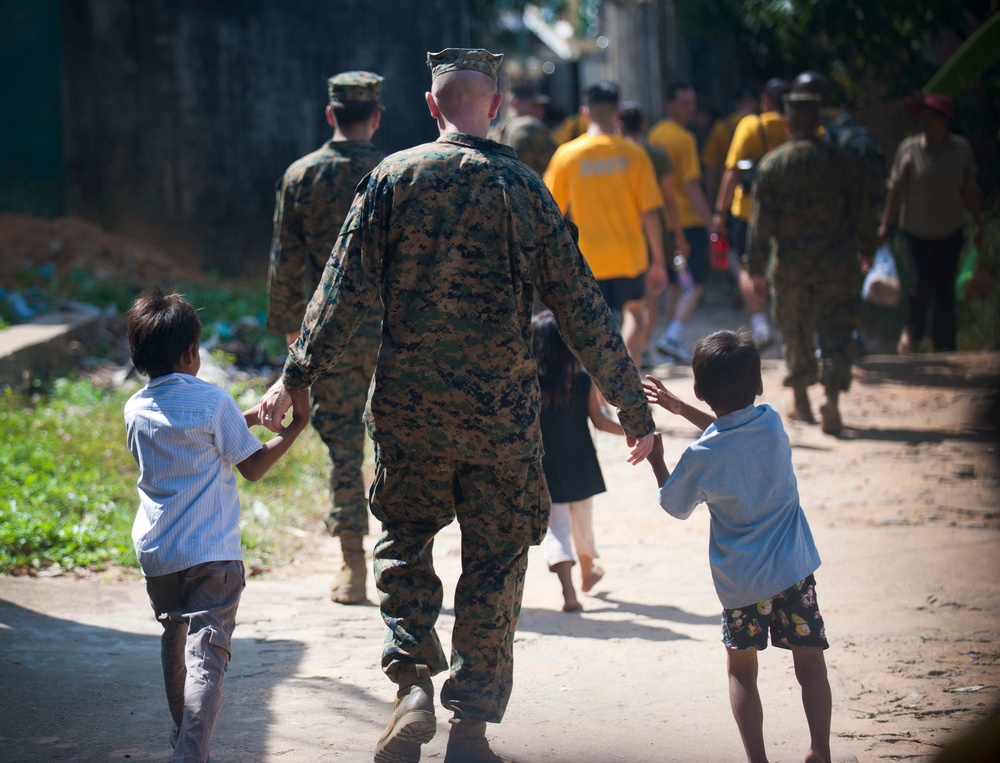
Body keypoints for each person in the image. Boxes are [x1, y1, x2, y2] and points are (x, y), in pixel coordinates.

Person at [257, 48, 655, 763]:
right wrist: (632, 405)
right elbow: (582, 306)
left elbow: (339, 291)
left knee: (406, 543)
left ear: (431, 105)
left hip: (409, 408)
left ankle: (412, 685)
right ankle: (469, 726)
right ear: (495, 105)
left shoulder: (390, 178)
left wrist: (295, 375)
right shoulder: (525, 188)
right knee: (496, 561)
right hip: (501, 414)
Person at [125, 288, 309, 763]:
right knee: (208, 655)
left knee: (174, 637)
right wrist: (293, 428)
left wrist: (251, 416)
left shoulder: (135, 410)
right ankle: (191, 752)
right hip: (212, 553)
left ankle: (182, 735)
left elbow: (199, 431)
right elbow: (251, 467)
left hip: (159, 554)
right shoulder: (213, 401)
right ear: (191, 353)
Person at [643, 328, 831, 763]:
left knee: (743, 672)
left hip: (742, 586)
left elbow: (674, 503)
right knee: (811, 665)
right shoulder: (771, 422)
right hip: (794, 573)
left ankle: (758, 761)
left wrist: (657, 458)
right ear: (760, 384)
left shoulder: (701, 456)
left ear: (699, 389)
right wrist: (681, 410)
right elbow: (734, 431)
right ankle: (819, 751)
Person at [267, 70, 386, 604]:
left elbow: (285, 267)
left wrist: (297, 342)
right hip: (393, 336)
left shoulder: (301, 177)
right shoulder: (393, 172)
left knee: (344, 450)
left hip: (329, 334)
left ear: (330, 115)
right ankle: (402, 563)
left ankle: (354, 568)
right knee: (397, 448)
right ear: (376, 118)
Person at [745, 87, 873, 434]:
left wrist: (755, 265)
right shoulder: (843, 162)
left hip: (790, 265)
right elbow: (861, 211)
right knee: (835, 327)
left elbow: (761, 223)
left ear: (788, 122)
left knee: (794, 328)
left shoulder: (774, 165)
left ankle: (801, 396)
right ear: (818, 122)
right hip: (837, 262)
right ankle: (831, 396)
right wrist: (868, 246)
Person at [543, 81, 667, 365]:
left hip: (587, 259)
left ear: (584, 112)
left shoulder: (567, 155)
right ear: (616, 112)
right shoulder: (635, 154)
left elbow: (551, 212)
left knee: (594, 327)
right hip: (630, 256)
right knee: (635, 314)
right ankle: (627, 375)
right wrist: (659, 259)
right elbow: (650, 211)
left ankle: (600, 395)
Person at [533, 310, 625, 611]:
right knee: (583, 525)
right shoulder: (582, 380)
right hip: (581, 464)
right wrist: (632, 430)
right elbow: (599, 420)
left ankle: (571, 591)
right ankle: (587, 571)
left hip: (547, 466)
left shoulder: (532, 384)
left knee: (557, 529)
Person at [878, 93, 983, 354]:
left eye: (931, 118)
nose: (925, 123)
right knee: (920, 286)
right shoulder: (910, 148)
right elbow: (895, 190)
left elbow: (969, 190)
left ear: (945, 120)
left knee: (945, 289)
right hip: (916, 232)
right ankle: (912, 335)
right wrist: (884, 224)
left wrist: (979, 222)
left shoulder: (960, 149)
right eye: (922, 118)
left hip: (951, 229)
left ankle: (945, 346)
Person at [711, 78, 791, 350]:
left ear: (765, 101)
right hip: (788, 210)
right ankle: (791, 324)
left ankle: (760, 324)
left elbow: (732, 171)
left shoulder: (751, 126)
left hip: (748, 211)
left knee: (746, 266)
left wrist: (720, 213)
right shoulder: (799, 126)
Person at [618, 101, 691, 368]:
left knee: (630, 298)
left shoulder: (616, 155)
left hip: (623, 230)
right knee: (650, 295)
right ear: (645, 124)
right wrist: (678, 235)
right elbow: (669, 200)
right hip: (654, 231)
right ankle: (643, 346)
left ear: (619, 123)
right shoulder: (657, 155)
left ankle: (636, 348)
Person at [647, 81, 715, 364]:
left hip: (662, 221)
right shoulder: (684, 139)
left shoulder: (654, 135)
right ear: (670, 104)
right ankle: (673, 335)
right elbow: (691, 185)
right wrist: (711, 221)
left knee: (677, 283)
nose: (691, 109)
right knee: (694, 284)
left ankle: (670, 340)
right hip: (687, 222)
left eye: (693, 103)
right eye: (685, 103)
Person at [701, 88, 758, 204]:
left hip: (726, 197)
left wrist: (711, 199)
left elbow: (710, 166)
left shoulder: (722, 127)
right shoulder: (762, 128)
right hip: (755, 196)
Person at [488, 82, 557, 176]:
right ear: (515, 102)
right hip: (528, 188)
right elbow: (557, 162)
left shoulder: (497, 130)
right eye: (534, 105)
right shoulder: (530, 126)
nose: (541, 111)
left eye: (541, 107)